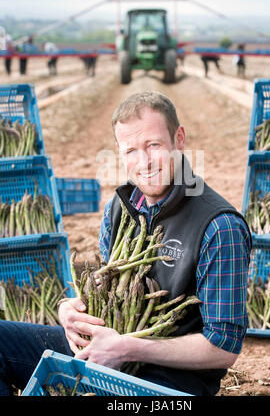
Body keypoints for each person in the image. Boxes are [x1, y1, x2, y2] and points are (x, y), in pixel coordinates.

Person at [0, 91, 251, 397]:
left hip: (168, 382)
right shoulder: (118, 208)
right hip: (105, 348)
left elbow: (223, 348)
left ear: (179, 139)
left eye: (153, 145)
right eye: (131, 150)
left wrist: (128, 348)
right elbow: (109, 298)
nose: (144, 162)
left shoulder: (219, 226)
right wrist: (69, 309)